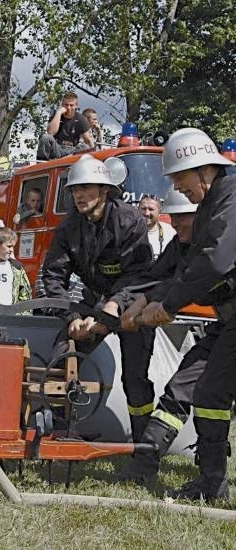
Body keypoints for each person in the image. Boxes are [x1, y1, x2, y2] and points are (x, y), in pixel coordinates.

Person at [122, 128, 236, 501]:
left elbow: (214, 261)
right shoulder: (212, 206)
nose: (176, 187)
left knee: (210, 392)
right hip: (227, 318)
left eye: (180, 179)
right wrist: (152, 300)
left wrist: (167, 306)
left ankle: (213, 482)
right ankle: (212, 481)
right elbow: (182, 270)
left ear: (203, 169)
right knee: (204, 391)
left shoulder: (231, 199)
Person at [41, 154, 155, 441]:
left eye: (86, 188)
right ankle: (62, 435)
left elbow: (139, 276)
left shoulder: (129, 220)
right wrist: (72, 318)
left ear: (105, 190)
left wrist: (111, 307)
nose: (79, 195)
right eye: (75, 189)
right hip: (93, 304)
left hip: (133, 305)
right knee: (61, 361)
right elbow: (54, 276)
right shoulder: (68, 228)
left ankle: (142, 446)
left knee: (135, 378)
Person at [113, 187, 200, 483]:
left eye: (184, 218)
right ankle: (150, 466)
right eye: (173, 217)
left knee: (201, 394)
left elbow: (199, 278)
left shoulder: (218, 241)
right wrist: (135, 302)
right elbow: (157, 275)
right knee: (186, 392)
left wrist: (164, 305)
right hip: (225, 330)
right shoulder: (181, 243)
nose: (176, 224)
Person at [37, 91, 94, 160]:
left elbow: (88, 140)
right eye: (66, 105)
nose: (68, 108)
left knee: (85, 147)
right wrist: (59, 113)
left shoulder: (81, 118)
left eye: (71, 105)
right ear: (62, 104)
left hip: (73, 151)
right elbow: (50, 133)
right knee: (45, 137)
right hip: (58, 148)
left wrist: (95, 157)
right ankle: (42, 164)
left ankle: (68, 159)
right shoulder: (56, 115)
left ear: (76, 105)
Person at [138, 195, 176, 260]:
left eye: (151, 209)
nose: (147, 213)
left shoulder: (171, 231)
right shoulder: (129, 231)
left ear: (159, 211)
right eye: (143, 209)